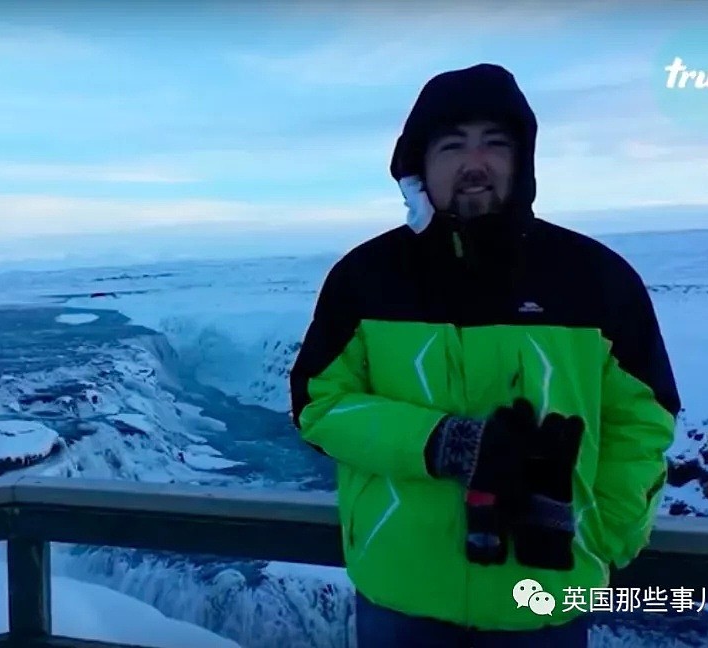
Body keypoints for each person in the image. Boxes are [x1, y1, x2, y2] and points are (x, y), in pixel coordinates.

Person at [288, 63, 680, 647]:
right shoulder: (364, 279)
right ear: (418, 166)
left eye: (495, 143)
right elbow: (319, 405)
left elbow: (643, 420)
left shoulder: (596, 280)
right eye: (452, 145)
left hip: (546, 598)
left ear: (522, 159)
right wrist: (442, 442)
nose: (476, 162)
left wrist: (602, 537)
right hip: (400, 596)